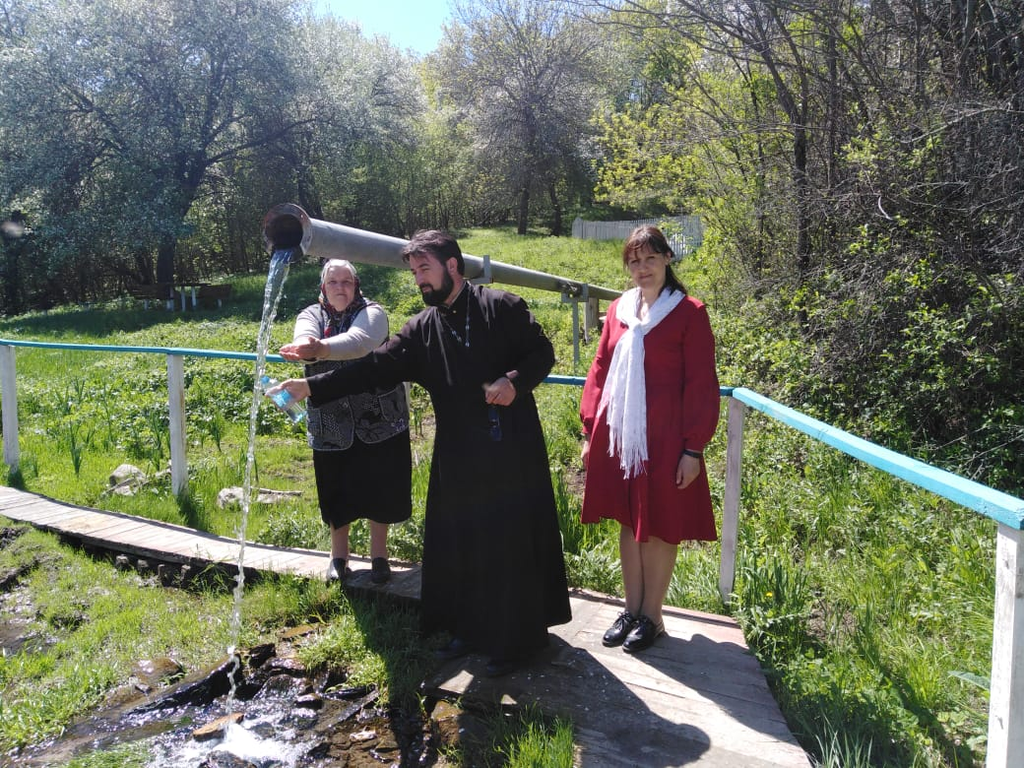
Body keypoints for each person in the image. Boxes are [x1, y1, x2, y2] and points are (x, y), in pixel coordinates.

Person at [271, 231, 572, 677]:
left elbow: (542, 354)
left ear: (452, 265)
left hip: (509, 447)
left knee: (508, 541)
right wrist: (311, 386)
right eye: (414, 272)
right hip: (456, 451)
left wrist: (513, 382)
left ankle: (519, 642)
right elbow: (373, 368)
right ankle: (469, 628)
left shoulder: (503, 306)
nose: (418, 280)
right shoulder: (422, 328)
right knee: (460, 540)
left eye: (424, 269)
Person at [579, 226, 720, 653]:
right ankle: (631, 609)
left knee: (660, 525)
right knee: (629, 521)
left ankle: (652, 617)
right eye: (634, 261)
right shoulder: (619, 310)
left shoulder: (689, 313)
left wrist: (693, 448)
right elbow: (600, 370)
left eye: (650, 259)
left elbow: (701, 384)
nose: (642, 268)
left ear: (667, 259)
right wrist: (589, 430)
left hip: (667, 439)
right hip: (622, 436)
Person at [278, 259, 412, 585]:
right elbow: (304, 337)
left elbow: (360, 342)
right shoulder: (311, 314)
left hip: (380, 416)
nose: (340, 287)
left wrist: (319, 348)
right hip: (330, 420)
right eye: (333, 282)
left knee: (381, 487)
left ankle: (379, 557)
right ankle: (338, 557)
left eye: (346, 281)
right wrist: (306, 347)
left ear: (356, 286)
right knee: (336, 488)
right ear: (323, 288)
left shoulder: (373, 312)